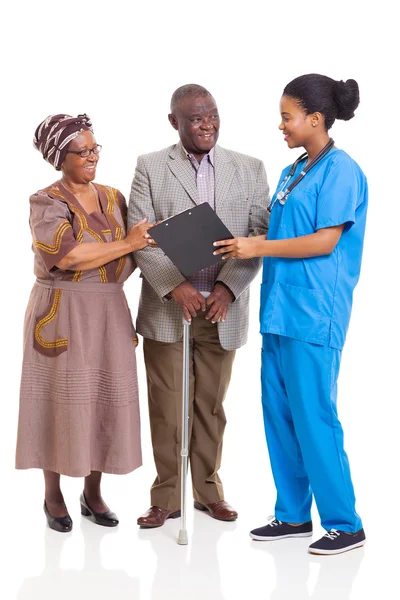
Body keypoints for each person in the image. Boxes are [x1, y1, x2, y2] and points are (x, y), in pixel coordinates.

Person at [214, 74, 367, 555]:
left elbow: (325, 240)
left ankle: (345, 522)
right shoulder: (292, 171)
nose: (280, 125)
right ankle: (293, 515)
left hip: (314, 313)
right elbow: (270, 230)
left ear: (315, 119)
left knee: (314, 414)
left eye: (287, 116)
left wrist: (256, 245)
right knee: (279, 414)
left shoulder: (341, 170)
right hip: (278, 312)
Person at [128, 84, 270, 527]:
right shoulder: (151, 167)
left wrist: (228, 288)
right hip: (170, 310)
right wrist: (177, 287)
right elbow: (140, 238)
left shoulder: (249, 168)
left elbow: (260, 239)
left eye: (212, 115)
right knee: (168, 405)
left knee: (210, 405)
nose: (206, 124)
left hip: (223, 310)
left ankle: (209, 491)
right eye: (194, 118)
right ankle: (166, 495)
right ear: (175, 122)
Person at [15, 113, 153, 532]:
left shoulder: (112, 197)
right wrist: (126, 244)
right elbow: (68, 256)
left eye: (95, 149)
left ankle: (93, 494)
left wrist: (141, 247)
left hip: (109, 310)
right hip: (63, 313)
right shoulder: (47, 201)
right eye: (82, 151)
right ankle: (53, 496)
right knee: (58, 402)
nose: (92, 157)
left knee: (102, 402)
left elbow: (133, 253)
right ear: (60, 156)